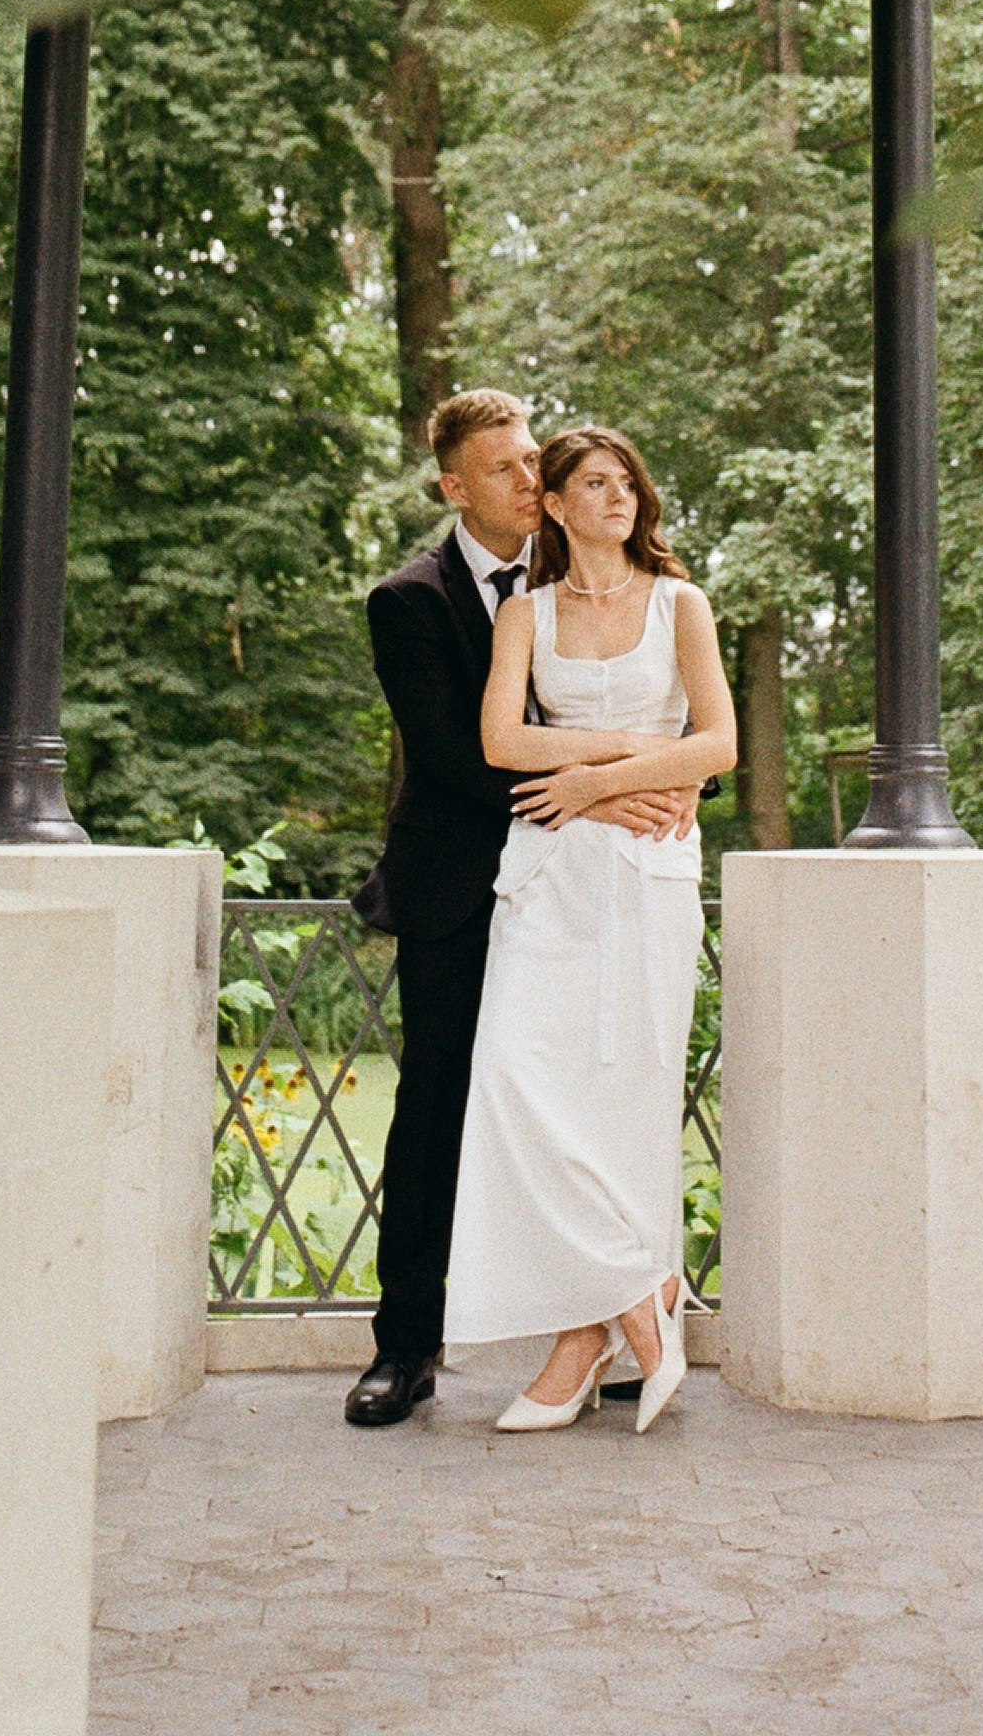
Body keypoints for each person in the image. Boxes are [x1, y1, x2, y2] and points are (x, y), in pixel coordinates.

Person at [345, 392, 690, 1430]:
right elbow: (455, 757)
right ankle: (404, 1349)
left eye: (536, 457)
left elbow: (661, 708)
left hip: (600, 886)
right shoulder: (408, 600)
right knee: (442, 1109)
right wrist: (603, 786)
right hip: (460, 885)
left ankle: (602, 1333)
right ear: (455, 486)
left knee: (604, 1097)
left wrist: (652, 790)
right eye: (504, 468)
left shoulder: (601, 576)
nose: (531, 478)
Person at [443, 424, 737, 1432]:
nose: (616, 496)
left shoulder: (680, 603)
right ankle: (636, 1301)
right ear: (557, 507)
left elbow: (720, 742)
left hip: (647, 872)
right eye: (592, 483)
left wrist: (592, 780)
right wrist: (627, 769)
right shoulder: (524, 612)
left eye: (626, 483)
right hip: (552, 870)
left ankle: (580, 1343)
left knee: (626, 1099)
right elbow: (497, 737)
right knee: (518, 1080)